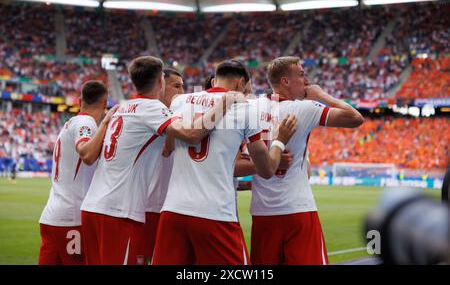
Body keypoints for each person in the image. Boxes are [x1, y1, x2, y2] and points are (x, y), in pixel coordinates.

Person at [80, 56, 243, 265]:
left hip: (93, 207)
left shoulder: (123, 107)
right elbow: (192, 134)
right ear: (160, 82)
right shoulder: (152, 109)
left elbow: (168, 147)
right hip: (119, 212)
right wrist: (225, 102)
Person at [152, 59, 298, 265]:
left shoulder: (180, 101)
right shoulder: (247, 110)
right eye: (246, 88)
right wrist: (280, 142)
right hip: (214, 212)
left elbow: (170, 145)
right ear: (239, 83)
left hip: (174, 210)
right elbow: (266, 170)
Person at [249, 56, 364, 265]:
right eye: (301, 75)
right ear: (285, 81)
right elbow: (355, 118)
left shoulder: (250, 108)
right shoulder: (306, 108)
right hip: (298, 209)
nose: (306, 80)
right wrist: (321, 95)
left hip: (262, 212)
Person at [38, 80, 117, 265]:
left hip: (52, 217)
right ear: (105, 103)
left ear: (79, 100)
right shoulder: (85, 122)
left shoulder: (70, 123)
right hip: (71, 220)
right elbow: (87, 154)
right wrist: (106, 122)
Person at [141, 67, 184, 264]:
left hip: (170, 206)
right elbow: (169, 147)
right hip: (150, 205)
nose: (182, 92)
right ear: (161, 86)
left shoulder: (171, 116)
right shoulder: (156, 114)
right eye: (177, 86)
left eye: (183, 87)